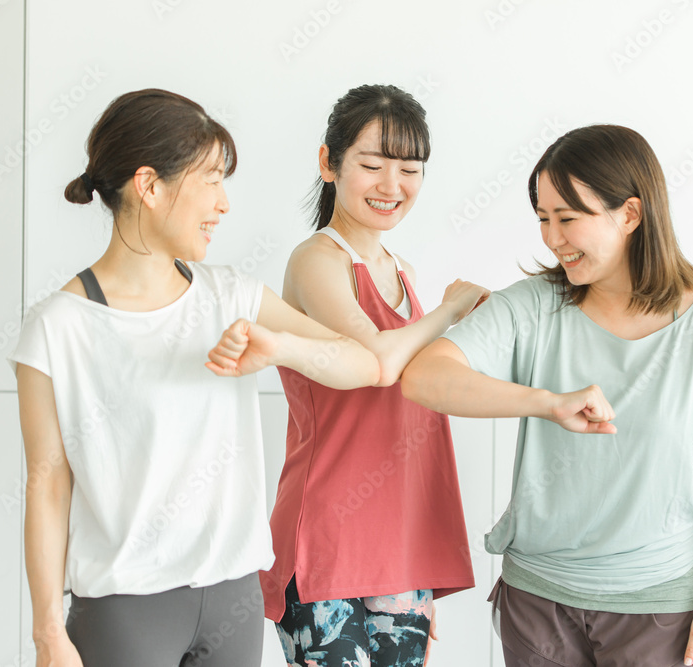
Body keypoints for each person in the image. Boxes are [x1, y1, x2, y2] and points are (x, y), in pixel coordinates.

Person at [7, 88, 380, 667]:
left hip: (235, 596)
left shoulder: (233, 295)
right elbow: (47, 486)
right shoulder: (58, 327)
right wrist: (48, 634)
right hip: (125, 609)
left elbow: (363, 364)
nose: (224, 204)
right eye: (211, 180)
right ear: (149, 186)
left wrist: (278, 347)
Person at [402, 124, 693, 667]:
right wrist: (547, 403)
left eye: (568, 218)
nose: (552, 238)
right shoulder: (534, 306)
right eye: (543, 219)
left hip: (658, 605)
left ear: (630, 214)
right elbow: (424, 377)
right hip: (537, 600)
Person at [258, 84, 487, 667]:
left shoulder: (403, 271)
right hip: (326, 539)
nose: (392, 185)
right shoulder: (317, 260)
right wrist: (449, 310)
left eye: (409, 169)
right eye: (372, 165)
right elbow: (378, 363)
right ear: (328, 163)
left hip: (399, 543)